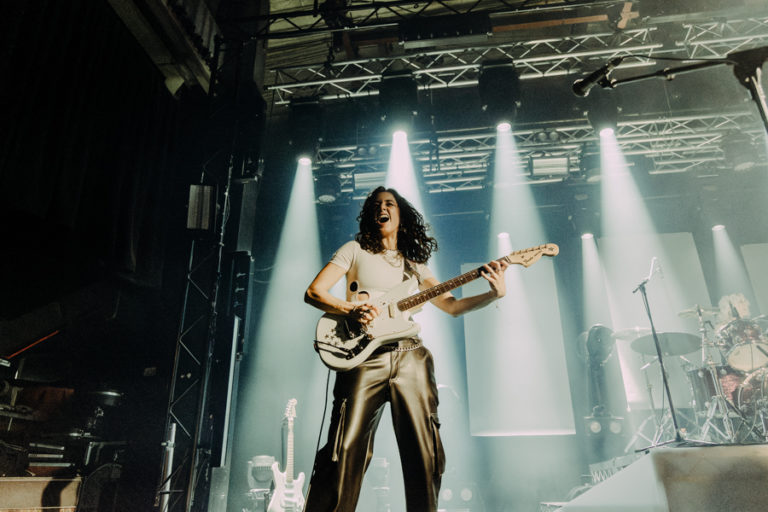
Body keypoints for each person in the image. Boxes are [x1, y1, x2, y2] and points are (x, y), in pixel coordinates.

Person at [302, 186, 509, 511]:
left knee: (425, 453)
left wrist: (492, 295)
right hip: (363, 358)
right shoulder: (354, 250)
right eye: (376, 205)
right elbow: (314, 292)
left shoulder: (415, 266)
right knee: (342, 451)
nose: (381, 208)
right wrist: (350, 309)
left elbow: (452, 306)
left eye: (389, 204)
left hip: (411, 357)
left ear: (401, 215)